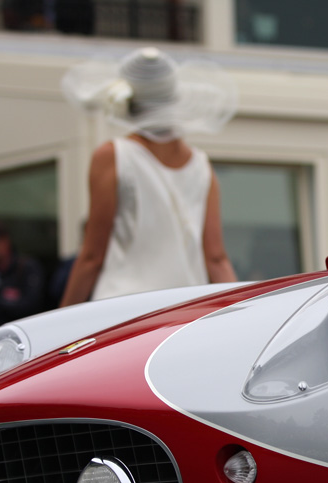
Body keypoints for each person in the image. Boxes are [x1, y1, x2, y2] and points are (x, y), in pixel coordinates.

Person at [59, 47, 238, 306]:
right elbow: (217, 259)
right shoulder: (201, 166)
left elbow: (92, 257)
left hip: (124, 311)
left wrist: (62, 320)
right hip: (184, 312)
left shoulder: (112, 156)